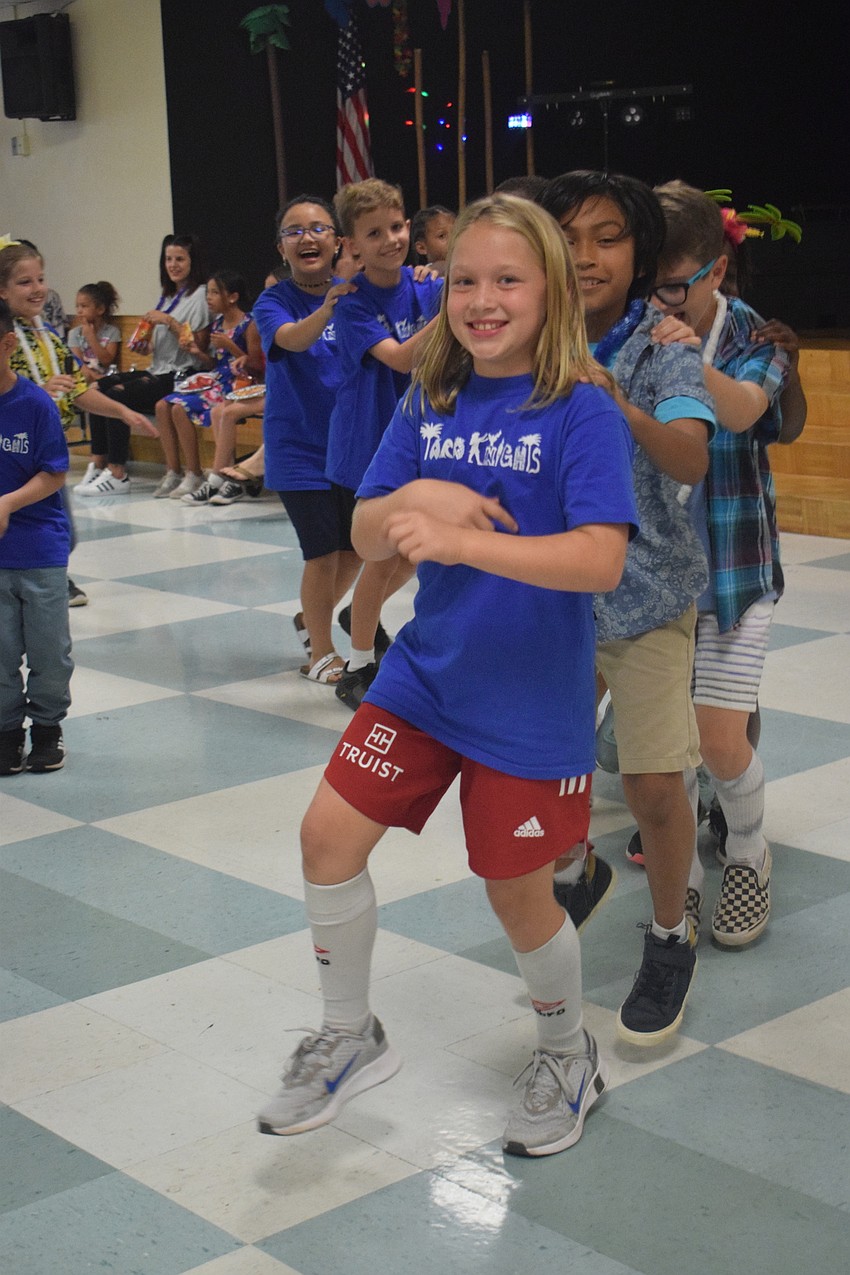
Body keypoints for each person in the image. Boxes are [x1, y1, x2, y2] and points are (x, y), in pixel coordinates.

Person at [257, 194, 638, 1156]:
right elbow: (365, 526)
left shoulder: (582, 409)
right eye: (464, 279)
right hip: (426, 679)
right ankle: (351, 1032)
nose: (482, 298)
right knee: (326, 837)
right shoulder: (432, 397)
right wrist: (418, 499)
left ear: (549, 289)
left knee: (516, 891)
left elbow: (599, 560)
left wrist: (469, 541)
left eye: (507, 279)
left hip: (531, 698)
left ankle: (566, 1049)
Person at [538, 171, 716, 1045]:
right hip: (554, 594)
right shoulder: (529, 332)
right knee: (545, 761)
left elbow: (689, 458)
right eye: (566, 236)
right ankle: (579, 869)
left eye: (606, 236)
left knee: (650, 783)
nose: (585, 256)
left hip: (646, 595)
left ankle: (670, 933)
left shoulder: (665, 346)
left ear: (641, 251)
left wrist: (621, 407)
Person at [645, 180, 791, 946]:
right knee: (667, 750)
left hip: (736, 574)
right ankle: (685, 879)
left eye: (675, 284)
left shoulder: (758, 340)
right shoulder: (633, 328)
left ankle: (748, 852)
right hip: (654, 579)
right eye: (652, 283)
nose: (661, 301)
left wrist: (681, 361)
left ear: (717, 273)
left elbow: (740, 410)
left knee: (721, 739)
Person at [326, 178, 444, 709]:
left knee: (413, 556)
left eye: (396, 227)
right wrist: (451, 315)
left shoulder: (427, 285)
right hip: (372, 444)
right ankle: (358, 665)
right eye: (373, 233)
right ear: (351, 245)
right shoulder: (351, 303)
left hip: (425, 441)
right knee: (380, 557)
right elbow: (399, 357)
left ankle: (360, 617)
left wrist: (449, 293)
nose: (391, 239)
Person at [0, 241, 156, 605]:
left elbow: (77, 390)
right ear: (2, 290)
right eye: (25, 282)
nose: (37, 288)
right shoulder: (5, 341)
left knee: (63, 531)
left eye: (40, 278)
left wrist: (122, 411)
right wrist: (40, 389)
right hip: (11, 451)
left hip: (44, 453)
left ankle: (48, 579)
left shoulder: (48, 337)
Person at [252, 196, 361, 682]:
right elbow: (293, 339)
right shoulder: (273, 301)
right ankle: (320, 650)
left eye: (319, 228)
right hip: (298, 449)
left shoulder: (358, 291)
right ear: (282, 246)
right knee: (321, 551)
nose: (307, 237)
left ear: (338, 241)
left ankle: (310, 618)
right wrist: (329, 308)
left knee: (356, 549)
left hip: (353, 445)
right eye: (295, 231)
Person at [0, 297, 73, 775]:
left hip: (40, 549)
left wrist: (7, 503)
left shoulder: (33, 403)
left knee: (49, 651)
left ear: (7, 345)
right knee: (1, 651)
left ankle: (47, 729)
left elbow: (55, 472)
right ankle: (6, 733)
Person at [80, 234, 210, 498]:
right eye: (168, 259)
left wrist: (170, 322)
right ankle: (99, 461)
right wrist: (145, 346)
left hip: (182, 372)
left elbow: (197, 345)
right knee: (94, 388)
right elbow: (162, 343)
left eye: (180, 259)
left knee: (116, 395)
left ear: (192, 262)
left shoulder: (201, 295)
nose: (173, 265)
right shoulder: (168, 295)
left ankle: (118, 472)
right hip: (158, 368)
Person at [153, 269, 260, 503]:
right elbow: (215, 362)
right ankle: (188, 472)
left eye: (214, 292)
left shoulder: (249, 323)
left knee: (183, 407)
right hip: (217, 377)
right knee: (169, 405)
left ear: (232, 297)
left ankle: (213, 474)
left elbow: (255, 364)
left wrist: (231, 346)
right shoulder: (218, 324)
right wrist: (197, 353)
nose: (208, 298)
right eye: (208, 292)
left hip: (239, 381)